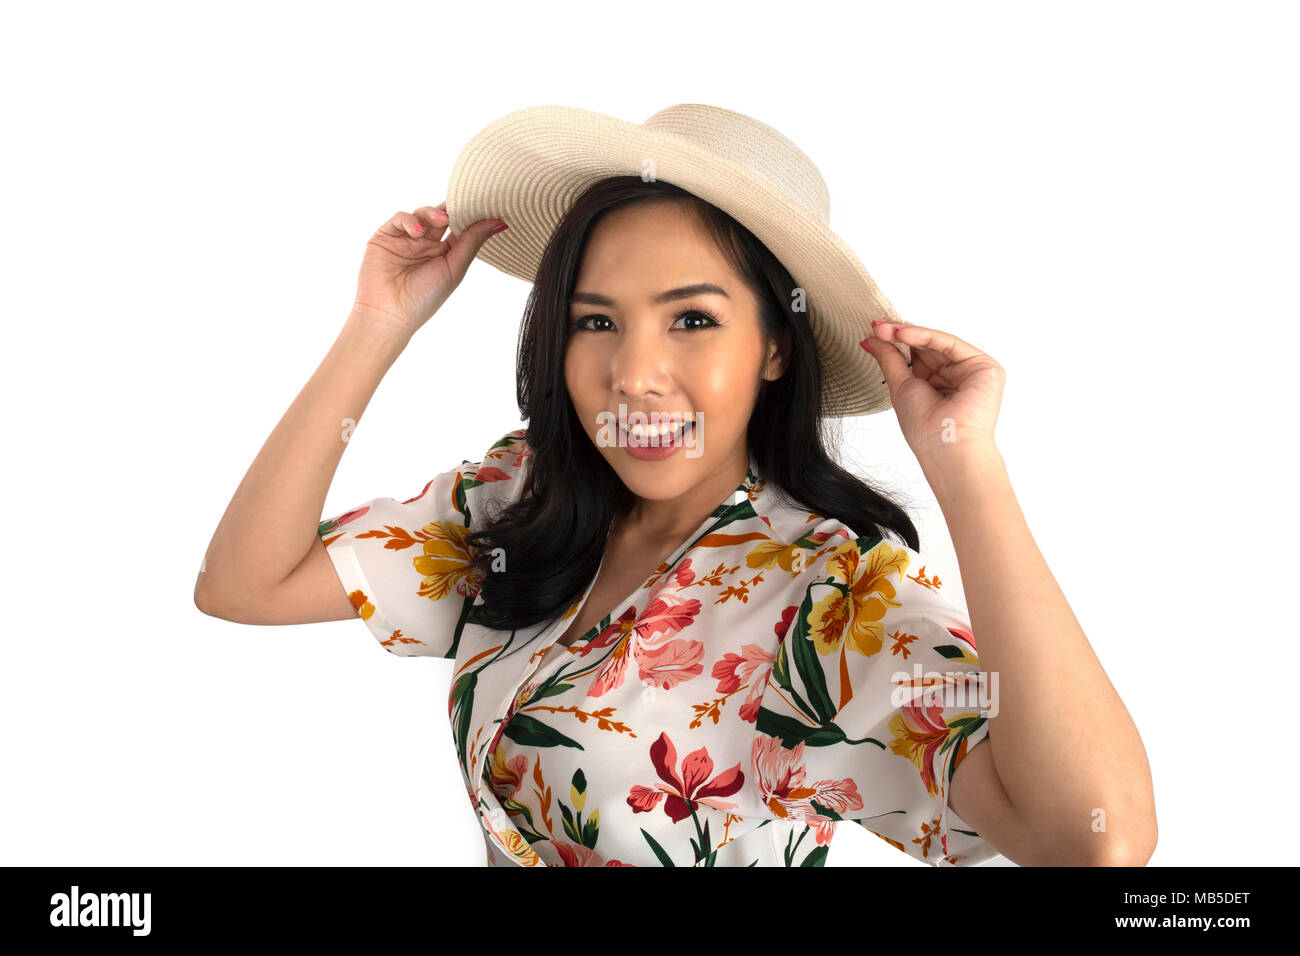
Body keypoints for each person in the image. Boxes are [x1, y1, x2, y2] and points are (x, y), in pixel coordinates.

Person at [195, 105, 1156, 868]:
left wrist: (967, 470)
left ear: (777, 345)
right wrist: (377, 324)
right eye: (595, 321)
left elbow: (1093, 840)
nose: (634, 373)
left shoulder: (828, 605)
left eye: (691, 321)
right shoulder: (520, 497)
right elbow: (245, 584)